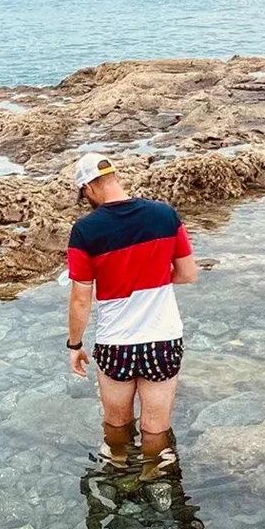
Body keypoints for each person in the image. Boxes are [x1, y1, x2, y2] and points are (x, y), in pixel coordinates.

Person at [67, 154, 198, 481]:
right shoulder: (165, 215)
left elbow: (81, 299)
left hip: (117, 344)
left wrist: (75, 344)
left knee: (117, 424)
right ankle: (158, 485)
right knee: (156, 428)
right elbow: (187, 274)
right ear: (114, 177)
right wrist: (150, 277)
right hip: (162, 339)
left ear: (88, 188)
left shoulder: (85, 230)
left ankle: (121, 481)